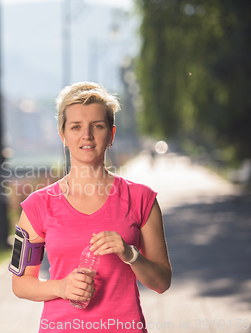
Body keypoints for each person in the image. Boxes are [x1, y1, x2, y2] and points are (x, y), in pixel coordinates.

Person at [11, 82, 172, 332]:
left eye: (97, 126)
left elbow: (162, 282)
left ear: (111, 134)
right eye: (76, 127)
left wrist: (131, 255)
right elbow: (20, 284)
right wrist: (60, 287)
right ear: (63, 135)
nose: (86, 135)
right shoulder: (36, 206)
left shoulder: (142, 199)